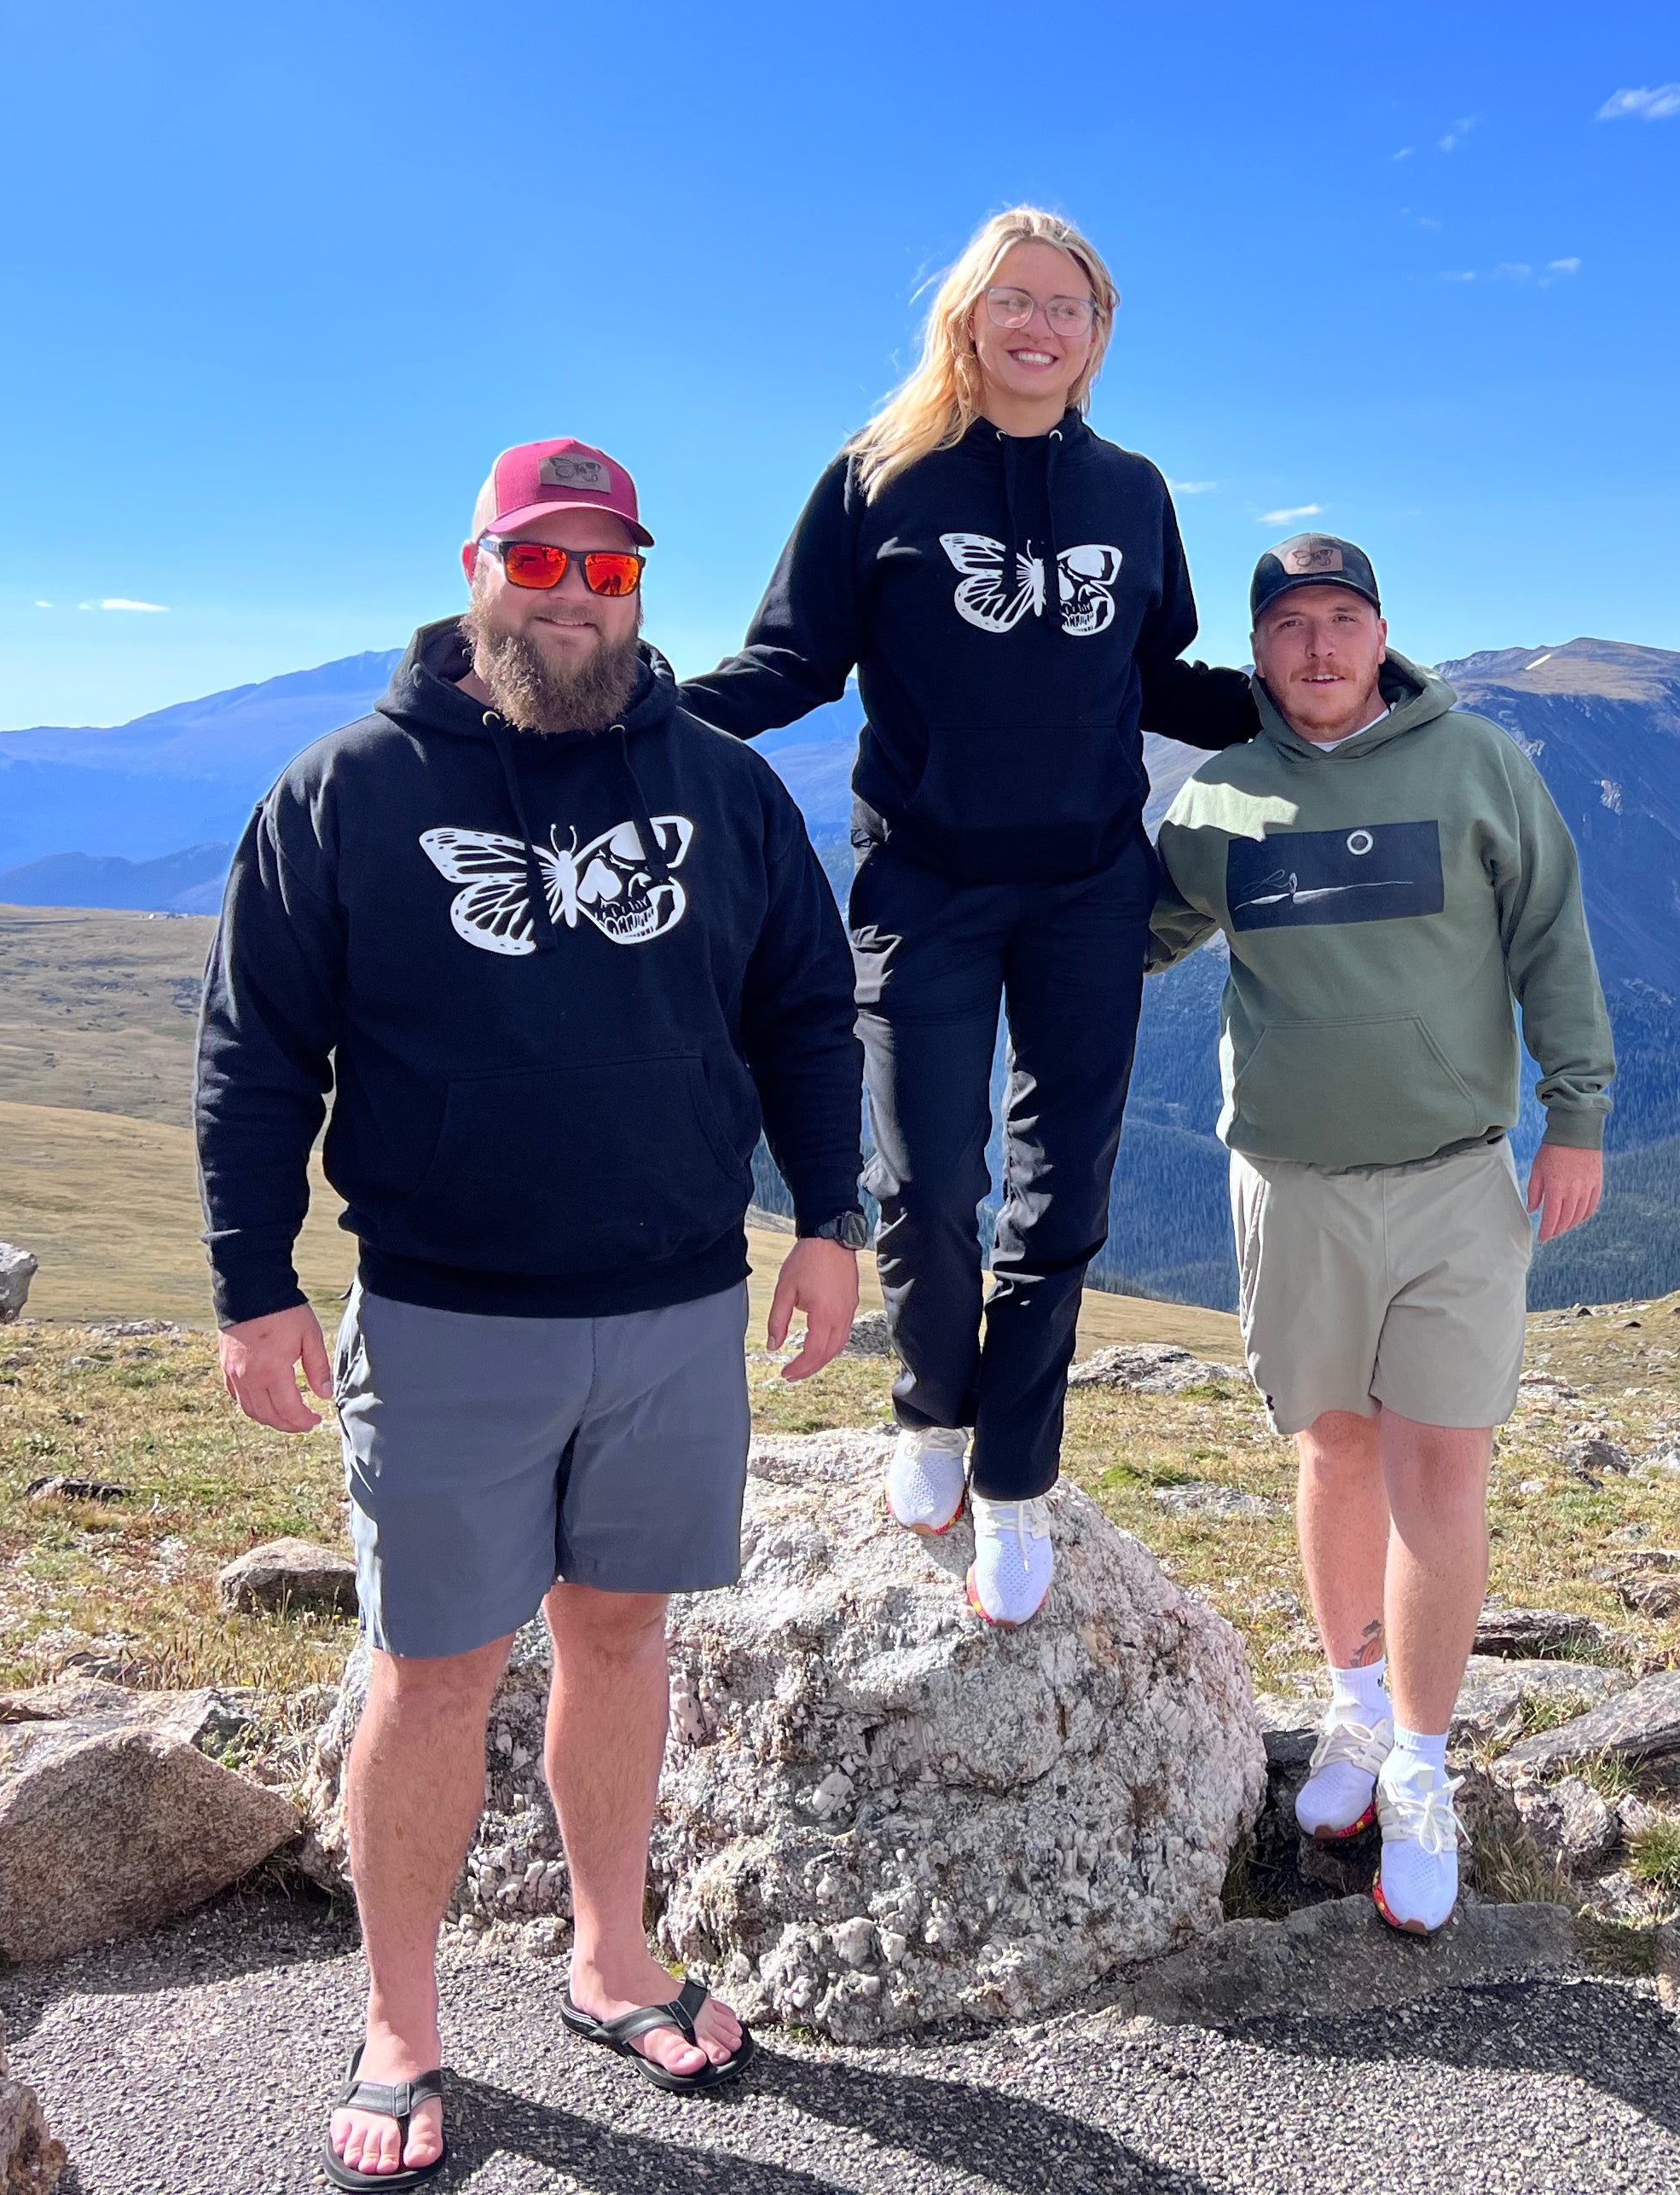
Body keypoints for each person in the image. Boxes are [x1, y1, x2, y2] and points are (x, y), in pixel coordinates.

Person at [194, 438, 867, 2189]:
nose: (575, 598)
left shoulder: (721, 788)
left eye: (610, 570)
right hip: (442, 1314)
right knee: (432, 1675)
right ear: (477, 567)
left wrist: (830, 1221)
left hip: (671, 1306)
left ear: (643, 590)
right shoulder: (345, 791)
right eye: (542, 563)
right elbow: (257, 1056)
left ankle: (608, 1956)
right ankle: (403, 2022)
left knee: (623, 1635)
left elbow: (803, 1006)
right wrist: (252, 1284)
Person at [677, 207, 1253, 1627]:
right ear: (968, 320)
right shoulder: (881, 480)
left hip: (1085, 888)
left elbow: (1155, 673)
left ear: (1099, 336)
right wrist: (643, 714)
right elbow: (795, 661)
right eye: (1015, 301)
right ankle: (929, 1407)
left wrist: (1326, 698)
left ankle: (1015, 1478)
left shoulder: (1133, 489)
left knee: (1062, 1198)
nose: (1040, 326)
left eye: (1069, 307)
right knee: (927, 1183)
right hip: (922, 882)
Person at [1146, 533, 1613, 1931]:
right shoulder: (1221, 794)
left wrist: (1579, 1110)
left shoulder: (1479, 767)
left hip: (1456, 1177)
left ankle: (1419, 1765)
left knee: (1442, 1470)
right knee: (1330, 1447)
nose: (1318, 648)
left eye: (1341, 620)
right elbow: (1137, 934)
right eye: (1288, 627)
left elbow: (1553, 934)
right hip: (1289, 1185)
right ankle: (1349, 1709)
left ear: (1382, 632)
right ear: (1257, 653)